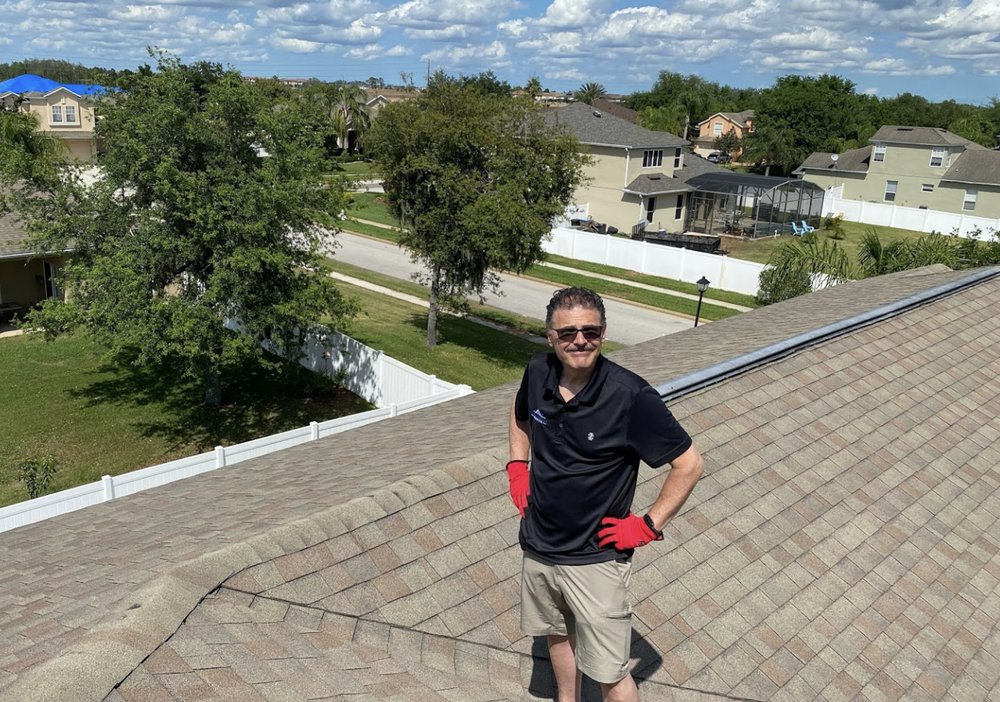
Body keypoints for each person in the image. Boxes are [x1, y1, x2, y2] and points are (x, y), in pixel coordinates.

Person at [508, 287, 704, 702]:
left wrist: (647, 526)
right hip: (540, 544)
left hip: (595, 558)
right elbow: (519, 413)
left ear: (603, 332)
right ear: (550, 337)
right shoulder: (538, 371)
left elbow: (689, 464)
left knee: (610, 673)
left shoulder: (630, 396)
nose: (579, 340)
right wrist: (516, 466)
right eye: (567, 333)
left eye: (590, 331)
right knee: (557, 635)